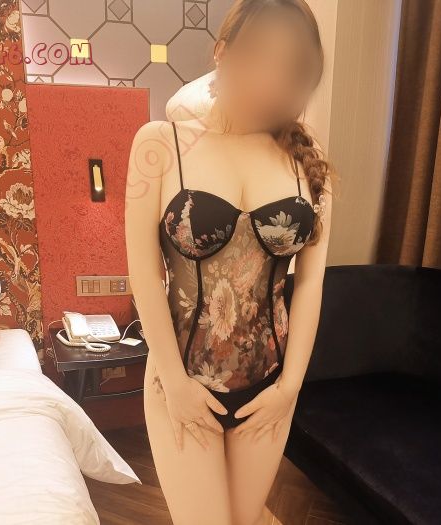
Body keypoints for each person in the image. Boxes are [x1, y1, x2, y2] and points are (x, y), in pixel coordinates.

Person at [125, 1, 338, 523]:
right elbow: (144, 274)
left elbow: (310, 285)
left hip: (269, 385)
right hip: (181, 380)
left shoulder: (307, 158)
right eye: (261, 56)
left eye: (291, 67)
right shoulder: (159, 145)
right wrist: (175, 384)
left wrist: (290, 388)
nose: (272, 79)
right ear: (222, 52)